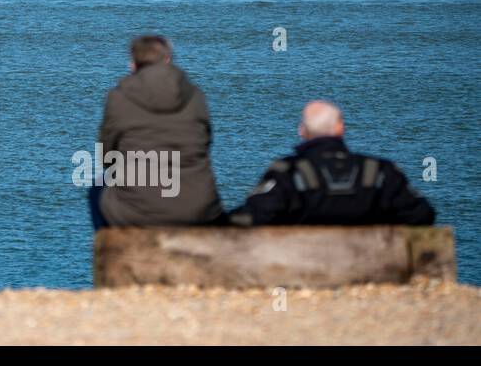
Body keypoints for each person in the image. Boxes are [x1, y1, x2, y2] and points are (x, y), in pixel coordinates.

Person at [89, 35, 225, 229]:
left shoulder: (118, 97)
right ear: (168, 60)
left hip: (137, 209)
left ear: (133, 64)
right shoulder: (195, 95)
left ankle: (113, 251)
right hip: (198, 208)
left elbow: (107, 156)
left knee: (98, 187)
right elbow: (206, 143)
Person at [229, 100, 435, 226]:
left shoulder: (285, 174)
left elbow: (251, 218)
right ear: (340, 128)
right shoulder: (381, 172)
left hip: (301, 274)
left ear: (302, 130)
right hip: (370, 273)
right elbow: (422, 215)